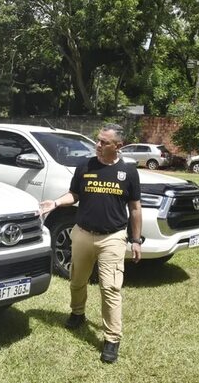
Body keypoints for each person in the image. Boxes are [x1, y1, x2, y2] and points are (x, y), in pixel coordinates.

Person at [40, 123, 142, 364]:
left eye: (104, 142)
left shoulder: (129, 172)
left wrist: (136, 240)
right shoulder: (85, 166)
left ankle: (112, 338)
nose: (97, 145)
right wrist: (55, 203)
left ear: (118, 146)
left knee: (110, 288)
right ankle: (78, 314)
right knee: (77, 280)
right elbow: (74, 194)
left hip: (113, 237)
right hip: (83, 233)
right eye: (97, 140)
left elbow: (135, 209)